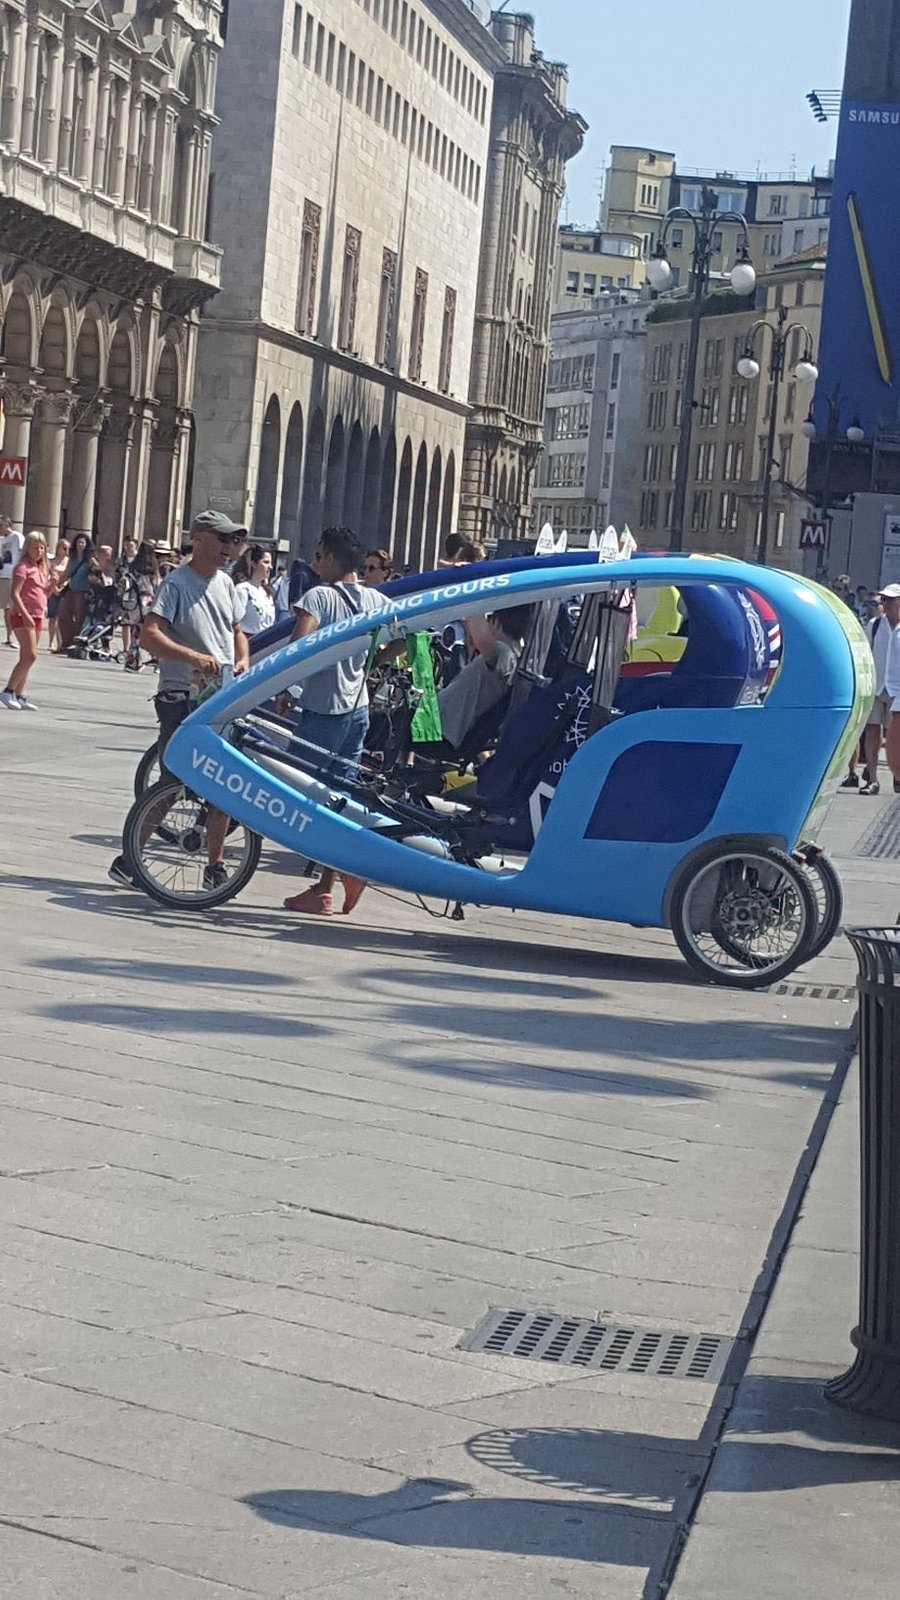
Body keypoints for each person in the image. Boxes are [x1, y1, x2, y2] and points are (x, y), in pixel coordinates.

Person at [108, 510, 250, 889]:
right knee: (175, 779)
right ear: (200, 538)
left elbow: (237, 631)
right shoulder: (176, 583)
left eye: (233, 541)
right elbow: (149, 636)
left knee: (224, 781)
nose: (229, 549)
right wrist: (193, 657)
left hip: (219, 694)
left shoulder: (227, 584)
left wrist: (242, 659)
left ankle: (215, 865)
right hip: (181, 695)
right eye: (223, 540)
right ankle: (130, 859)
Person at [283, 526, 388, 917]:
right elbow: (401, 639)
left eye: (318, 555)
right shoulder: (377, 599)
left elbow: (297, 648)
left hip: (322, 709)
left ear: (330, 558)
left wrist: (284, 687)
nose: (314, 564)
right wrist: (368, 659)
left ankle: (224, 844)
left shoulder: (319, 596)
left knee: (284, 783)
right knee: (338, 799)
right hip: (358, 708)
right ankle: (330, 883)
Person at [434, 605, 532, 751]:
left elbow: (481, 638)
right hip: (441, 723)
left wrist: (471, 595)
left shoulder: (504, 653)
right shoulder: (516, 659)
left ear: (495, 624)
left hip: (438, 727)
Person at [1, 532, 54, 709]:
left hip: (37, 615)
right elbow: (15, 593)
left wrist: (52, 586)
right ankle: (8, 691)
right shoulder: (22, 567)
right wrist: (24, 614)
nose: (39, 550)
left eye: (41, 547)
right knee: (30, 655)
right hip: (23, 615)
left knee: (27, 657)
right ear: (27, 548)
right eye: (35, 546)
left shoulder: (40, 568)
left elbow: (44, 593)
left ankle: (18, 693)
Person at [859, 586, 900, 796]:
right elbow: (864, 654)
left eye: (891, 600)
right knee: (873, 731)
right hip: (877, 686)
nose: (887, 604)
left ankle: (897, 775)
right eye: (884, 600)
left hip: (897, 689)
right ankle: (873, 779)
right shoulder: (874, 626)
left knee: (895, 735)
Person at [119, 541, 160, 669]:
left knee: (136, 631)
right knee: (151, 630)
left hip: (134, 602)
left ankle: (133, 660)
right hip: (148, 601)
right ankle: (156, 657)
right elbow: (157, 585)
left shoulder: (133, 566)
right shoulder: (153, 568)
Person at [57, 533, 94, 648]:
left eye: (83, 542)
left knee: (79, 618)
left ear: (87, 545)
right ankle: (66, 641)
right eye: (78, 542)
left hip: (83, 592)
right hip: (71, 590)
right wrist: (55, 583)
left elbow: (97, 572)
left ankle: (76, 643)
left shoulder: (90, 560)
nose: (80, 545)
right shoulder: (72, 559)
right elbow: (67, 573)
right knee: (63, 615)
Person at [233, 544, 275, 637]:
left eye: (270, 563)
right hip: (248, 641)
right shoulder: (243, 589)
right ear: (254, 563)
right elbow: (234, 622)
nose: (270, 567)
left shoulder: (267, 592)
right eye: (266, 562)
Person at [1, 516, 24, 645]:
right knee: (6, 608)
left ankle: (14, 636)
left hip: (12, 575)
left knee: (12, 607)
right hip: (2, 574)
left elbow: (22, 551)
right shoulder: (1, 540)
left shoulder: (16, 536)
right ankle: (9, 635)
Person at [46, 537, 70, 652]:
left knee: (62, 617)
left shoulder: (69, 562)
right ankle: (51, 641)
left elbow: (70, 575)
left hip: (65, 590)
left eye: (68, 548)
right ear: (58, 548)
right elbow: (49, 575)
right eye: (64, 548)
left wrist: (64, 585)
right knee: (53, 617)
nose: (66, 550)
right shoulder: (52, 561)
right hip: (54, 589)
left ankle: (61, 643)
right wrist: (54, 587)